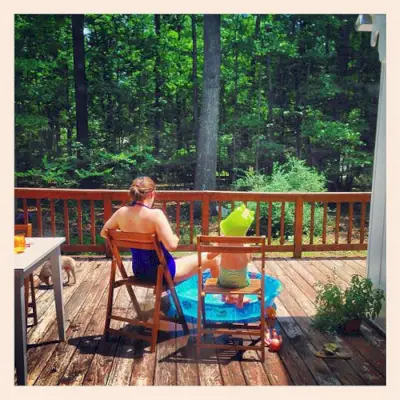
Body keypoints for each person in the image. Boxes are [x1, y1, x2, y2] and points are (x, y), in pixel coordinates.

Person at [100, 176, 219, 284]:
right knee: (213, 258)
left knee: (185, 260)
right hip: (163, 273)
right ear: (152, 193)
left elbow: (104, 233)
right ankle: (222, 300)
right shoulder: (156, 215)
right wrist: (175, 238)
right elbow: (172, 246)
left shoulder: (121, 212)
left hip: (139, 272)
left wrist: (126, 235)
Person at [207, 204, 255, 308]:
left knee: (221, 266)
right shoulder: (246, 245)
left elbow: (209, 256)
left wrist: (217, 243)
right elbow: (250, 259)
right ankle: (240, 301)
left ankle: (225, 297)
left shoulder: (222, 243)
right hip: (242, 282)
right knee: (244, 275)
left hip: (224, 281)